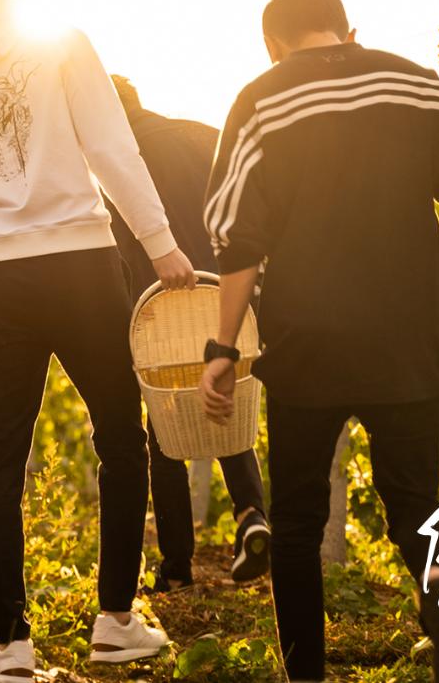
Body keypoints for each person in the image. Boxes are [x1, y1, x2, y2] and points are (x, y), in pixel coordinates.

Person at [0, 0, 195, 682]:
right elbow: (111, 148)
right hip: (80, 268)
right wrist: (161, 245)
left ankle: (11, 647)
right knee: (119, 440)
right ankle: (114, 621)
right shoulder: (61, 43)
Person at [198, 0, 439, 682]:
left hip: (307, 342)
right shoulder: (420, 85)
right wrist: (433, 273)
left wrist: (220, 348)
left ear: (272, 44)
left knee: (296, 524)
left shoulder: (260, 99)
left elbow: (234, 238)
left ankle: (306, 675)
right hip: (409, 337)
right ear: (347, 32)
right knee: (419, 509)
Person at [105, 75, 270, 591]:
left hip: (163, 305)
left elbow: (120, 253)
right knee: (224, 396)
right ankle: (251, 516)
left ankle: (176, 567)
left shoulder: (114, 164)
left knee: (166, 426)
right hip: (233, 294)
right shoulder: (204, 135)